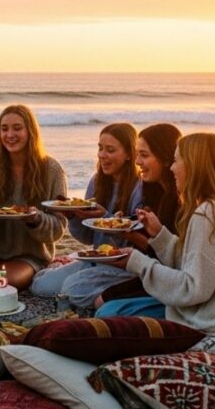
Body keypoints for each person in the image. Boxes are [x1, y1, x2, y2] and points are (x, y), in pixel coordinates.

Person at [95, 132, 215, 336]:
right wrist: (160, 235)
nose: (172, 168)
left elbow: (193, 289)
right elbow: (199, 266)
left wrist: (137, 262)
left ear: (194, 166)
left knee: (108, 312)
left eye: (176, 161)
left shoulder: (207, 214)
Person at [31, 122, 143, 308]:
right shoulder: (97, 181)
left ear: (129, 154)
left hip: (123, 266)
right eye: (100, 148)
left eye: (110, 150)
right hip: (95, 259)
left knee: (70, 291)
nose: (102, 155)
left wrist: (106, 217)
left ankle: (121, 290)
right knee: (39, 286)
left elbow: (132, 241)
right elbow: (86, 238)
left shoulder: (139, 188)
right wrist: (73, 216)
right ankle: (71, 268)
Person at [0, 104, 68, 290]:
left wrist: (36, 219)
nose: (9, 135)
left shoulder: (52, 169)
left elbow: (58, 228)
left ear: (30, 131)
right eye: (4, 128)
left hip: (30, 253)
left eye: (17, 128)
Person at [95, 121, 182, 308]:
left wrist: (137, 240)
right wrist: (125, 230)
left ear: (166, 158)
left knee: (103, 306)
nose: (137, 162)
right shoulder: (152, 192)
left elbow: (176, 263)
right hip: (149, 270)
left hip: (168, 277)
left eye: (144, 155)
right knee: (99, 301)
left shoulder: (184, 202)